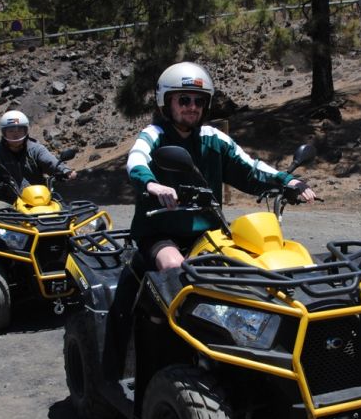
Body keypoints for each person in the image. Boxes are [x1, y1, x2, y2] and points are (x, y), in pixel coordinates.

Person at [127, 61, 316, 271]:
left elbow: (250, 167)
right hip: (159, 233)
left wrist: (289, 182)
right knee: (174, 266)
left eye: (199, 101)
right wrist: (152, 185)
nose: (192, 107)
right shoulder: (154, 135)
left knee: (245, 264)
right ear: (167, 102)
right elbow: (136, 159)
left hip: (208, 232)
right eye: (184, 100)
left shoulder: (214, 139)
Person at [0, 110, 77, 201]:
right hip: (8, 198)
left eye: (19, 130)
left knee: (59, 210)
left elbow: (50, 161)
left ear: (26, 131)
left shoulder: (35, 148)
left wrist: (65, 171)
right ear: (4, 132)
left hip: (39, 197)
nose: (15, 134)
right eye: (11, 131)